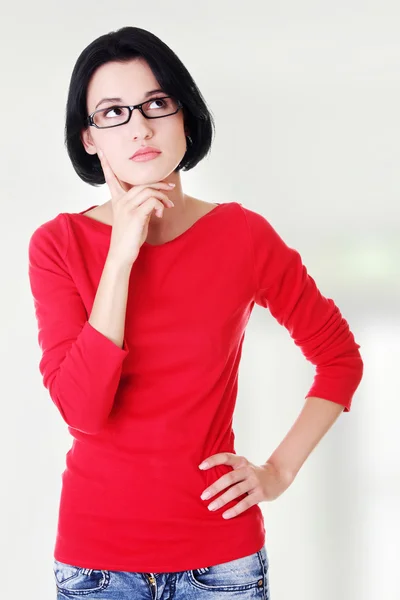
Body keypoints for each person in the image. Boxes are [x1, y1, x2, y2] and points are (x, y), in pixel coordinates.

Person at [27, 26, 363, 599]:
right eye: (113, 113)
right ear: (89, 139)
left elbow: (338, 359)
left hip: (221, 564)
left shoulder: (242, 237)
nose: (139, 126)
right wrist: (121, 256)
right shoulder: (57, 245)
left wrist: (276, 473)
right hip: (97, 566)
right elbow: (81, 410)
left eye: (156, 103)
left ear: (185, 116)